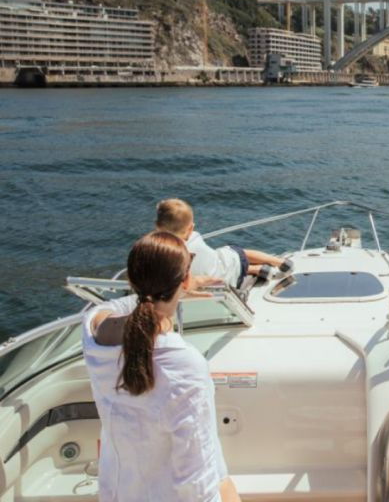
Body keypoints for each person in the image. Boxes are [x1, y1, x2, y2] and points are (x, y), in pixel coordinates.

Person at [82, 231, 240, 501]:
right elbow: (196, 479)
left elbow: (111, 308)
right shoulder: (184, 365)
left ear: (131, 280)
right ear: (186, 280)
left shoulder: (95, 331)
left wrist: (167, 294)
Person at [156, 198, 291, 289]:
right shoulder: (195, 237)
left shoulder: (164, 252)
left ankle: (257, 269)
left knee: (227, 265)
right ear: (191, 228)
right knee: (241, 253)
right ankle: (278, 262)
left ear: (157, 226)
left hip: (219, 282)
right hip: (224, 267)